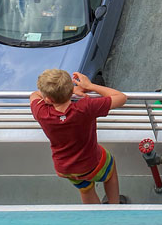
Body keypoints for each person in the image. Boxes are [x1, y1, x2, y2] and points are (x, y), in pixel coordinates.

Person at [30, 69, 127, 204]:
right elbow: (121, 98)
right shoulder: (85, 107)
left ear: (48, 99)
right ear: (70, 92)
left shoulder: (41, 112)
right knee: (110, 168)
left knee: (85, 189)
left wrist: (59, 93)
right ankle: (115, 206)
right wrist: (89, 86)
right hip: (91, 162)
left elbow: (34, 95)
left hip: (65, 168)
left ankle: (99, 217)